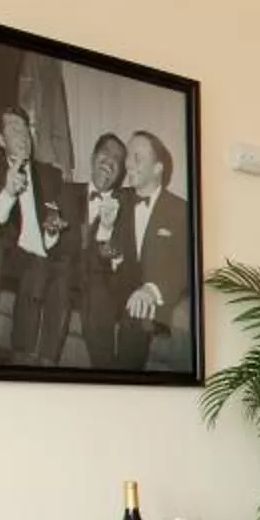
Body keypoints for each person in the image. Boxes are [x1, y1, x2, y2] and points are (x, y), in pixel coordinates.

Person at [0, 107, 68, 365]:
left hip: (46, 255)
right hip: (13, 257)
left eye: (25, 129)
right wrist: (9, 192)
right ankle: (22, 357)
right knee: (37, 268)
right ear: (1, 140)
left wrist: (53, 232)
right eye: (14, 129)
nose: (23, 136)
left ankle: (48, 363)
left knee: (60, 275)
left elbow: (59, 233)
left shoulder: (51, 175)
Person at [111, 129, 193, 373]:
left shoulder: (181, 210)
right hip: (120, 292)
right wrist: (105, 230)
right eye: (128, 156)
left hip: (161, 298)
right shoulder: (117, 201)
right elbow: (101, 252)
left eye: (137, 157)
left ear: (158, 168)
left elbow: (186, 264)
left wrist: (152, 289)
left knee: (137, 316)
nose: (127, 164)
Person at [76, 131, 129, 370]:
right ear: (92, 157)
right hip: (67, 279)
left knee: (98, 294)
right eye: (105, 154)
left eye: (117, 159)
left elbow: (118, 256)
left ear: (121, 174)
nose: (110, 161)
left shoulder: (127, 206)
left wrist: (106, 230)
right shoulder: (64, 192)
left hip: (102, 283)